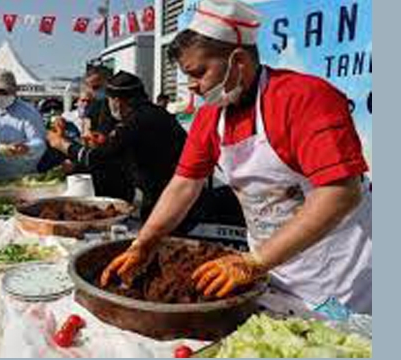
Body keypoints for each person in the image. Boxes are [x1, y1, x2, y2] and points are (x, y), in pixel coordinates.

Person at [101, 0, 372, 314]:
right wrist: (144, 243)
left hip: (340, 271)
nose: (192, 85)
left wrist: (255, 261)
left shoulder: (304, 98)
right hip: (270, 267)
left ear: (239, 61)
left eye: (199, 73)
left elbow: (340, 194)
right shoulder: (209, 117)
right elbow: (183, 186)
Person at [47, 71, 194, 226]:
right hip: (175, 191)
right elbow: (124, 147)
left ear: (117, 101)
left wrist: (61, 143)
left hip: (167, 197)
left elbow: (96, 159)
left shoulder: (135, 121)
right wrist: (107, 142)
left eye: (109, 100)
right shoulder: (156, 113)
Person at [78, 66, 135, 202]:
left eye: (97, 87)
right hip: (97, 169)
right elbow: (86, 132)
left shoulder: (123, 107)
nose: (94, 91)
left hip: (120, 172)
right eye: (91, 87)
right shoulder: (93, 106)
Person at [0, 69, 47, 176]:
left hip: (22, 175)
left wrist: (26, 148)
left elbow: (39, 143)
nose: (0, 96)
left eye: (4, 92)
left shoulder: (29, 112)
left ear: (14, 91)